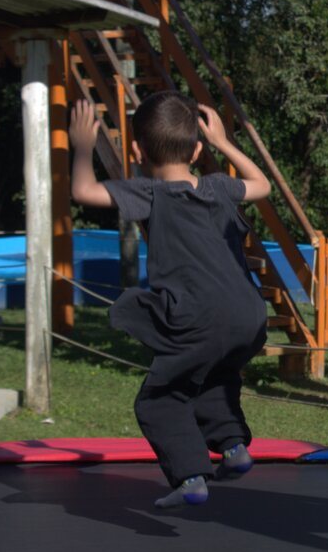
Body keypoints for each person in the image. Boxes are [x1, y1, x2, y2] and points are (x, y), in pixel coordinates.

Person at [68, 93, 272, 509]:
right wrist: (224, 144)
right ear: (197, 151)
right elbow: (263, 185)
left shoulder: (150, 193)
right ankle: (233, 446)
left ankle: (190, 476)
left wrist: (83, 147)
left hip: (199, 316)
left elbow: (83, 191)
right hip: (249, 315)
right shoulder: (218, 186)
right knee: (212, 375)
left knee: (160, 400)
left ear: (136, 150)